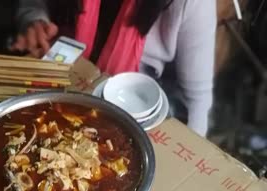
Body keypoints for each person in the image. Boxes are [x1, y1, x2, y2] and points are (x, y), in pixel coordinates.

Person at [12, 0, 217, 136]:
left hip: (132, 113)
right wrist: (34, 20)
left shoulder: (193, 3)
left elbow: (197, 99)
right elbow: (34, 4)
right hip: (61, 81)